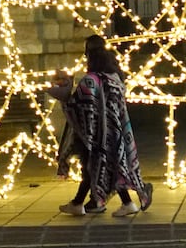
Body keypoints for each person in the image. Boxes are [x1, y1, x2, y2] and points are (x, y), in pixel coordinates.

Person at [47, 35, 152, 217]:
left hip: (96, 133)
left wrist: (63, 92)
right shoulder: (116, 77)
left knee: (96, 166)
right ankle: (84, 202)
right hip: (116, 131)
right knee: (105, 166)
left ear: (89, 55)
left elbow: (78, 106)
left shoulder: (91, 80)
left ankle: (121, 203)